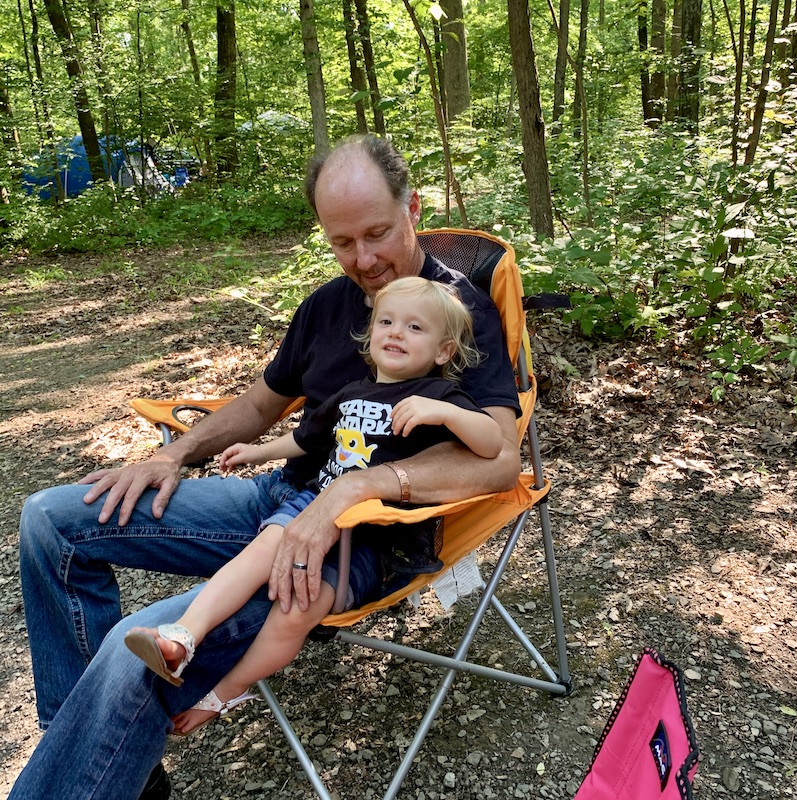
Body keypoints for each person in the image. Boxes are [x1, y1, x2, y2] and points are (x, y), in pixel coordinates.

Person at [11, 134, 521, 800]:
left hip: (352, 538)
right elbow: (259, 405)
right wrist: (173, 454)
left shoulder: (457, 313)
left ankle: (87, 761)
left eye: (378, 234)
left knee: (130, 658)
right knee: (50, 520)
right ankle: (84, 751)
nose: (364, 260)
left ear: (413, 209)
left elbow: (500, 460)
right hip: (279, 498)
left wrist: (362, 488)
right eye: (343, 243)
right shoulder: (325, 307)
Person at [124, 276, 503, 735]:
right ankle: (182, 636)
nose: (396, 332)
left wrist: (447, 414)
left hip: (371, 542)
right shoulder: (351, 394)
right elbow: (305, 440)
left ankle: (224, 692)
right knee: (262, 551)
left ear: (443, 352)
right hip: (312, 505)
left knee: (297, 611)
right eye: (386, 321)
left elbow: (491, 444)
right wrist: (255, 451)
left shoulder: (439, 397)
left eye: (414, 328)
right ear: (370, 333)